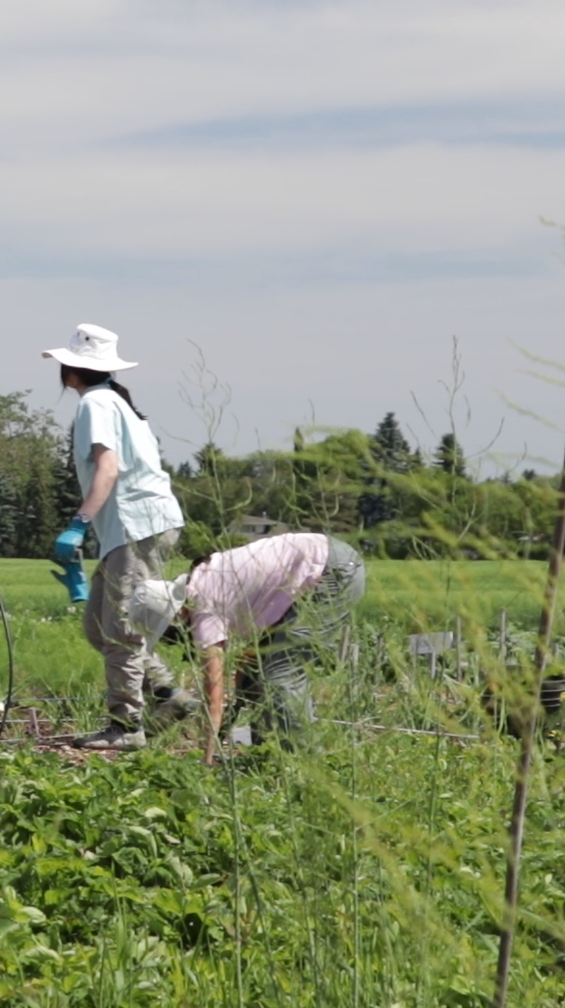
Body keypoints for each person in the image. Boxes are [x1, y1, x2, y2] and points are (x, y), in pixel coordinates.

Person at [43, 323, 195, 751]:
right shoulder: (117, 402)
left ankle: (126, 726)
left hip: (135, 524)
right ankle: (170, 695)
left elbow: (107, 469)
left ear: (70, 370)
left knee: (120, 632)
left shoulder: (96, 403)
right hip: (131, 528)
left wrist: (78, 524)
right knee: (98, 626)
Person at [131, 532, 366, 762]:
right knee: (255, 672)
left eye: (170, 636)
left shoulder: (204, 608)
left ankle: (300, 764)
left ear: (175, 617)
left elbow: (214, 699)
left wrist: (207, 756)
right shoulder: (202, 580)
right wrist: (246, 672)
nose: (176, 642)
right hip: (318, 568)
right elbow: (266, 598)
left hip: (329, 572)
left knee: (280, 675)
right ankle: (267, 753)